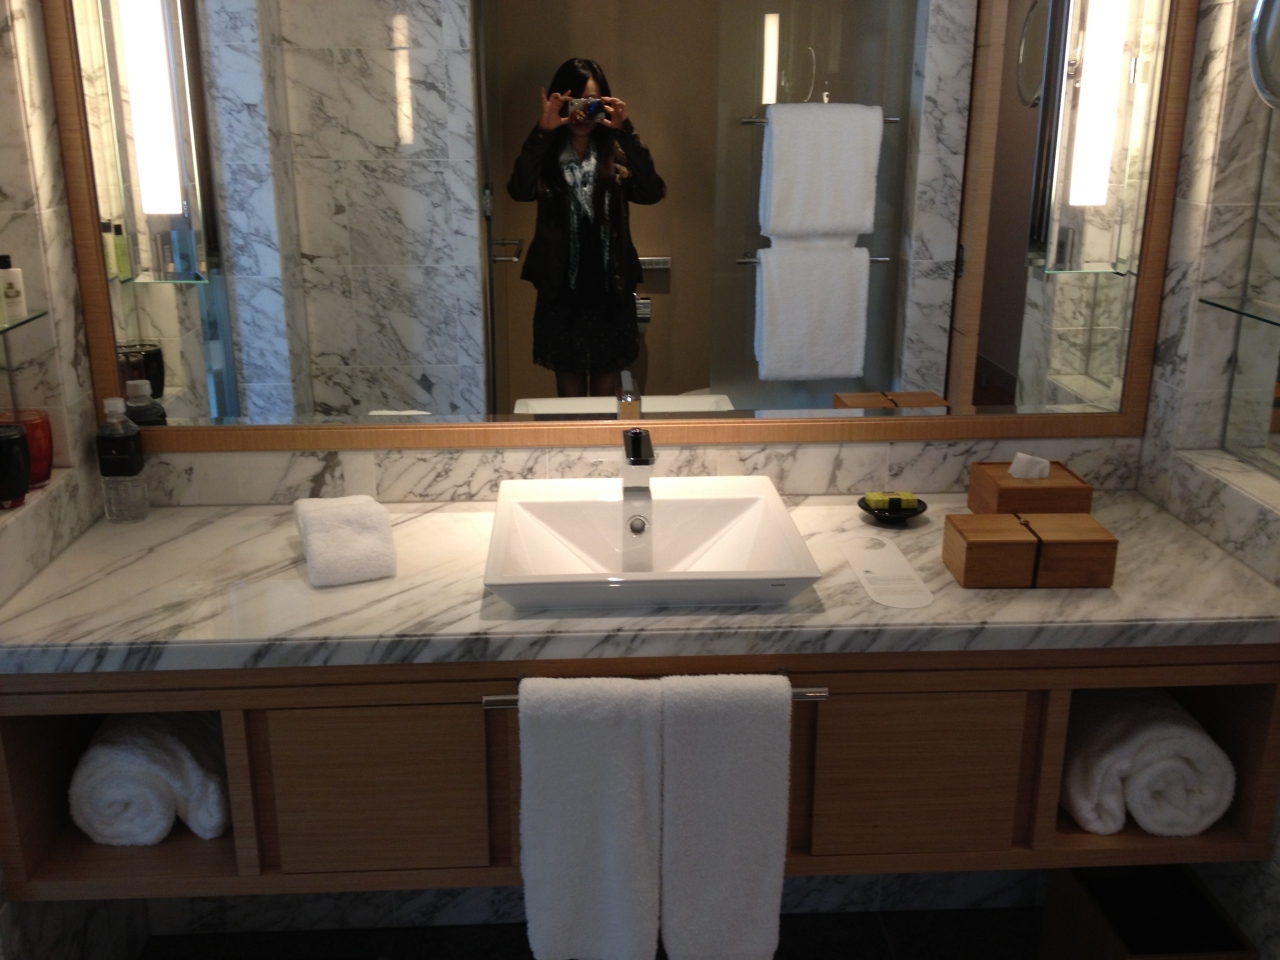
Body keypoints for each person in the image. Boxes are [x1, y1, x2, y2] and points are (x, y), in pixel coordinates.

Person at [508, 58, 665, 398]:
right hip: (561, 294)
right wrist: (542, 131)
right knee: (570, 395)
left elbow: (652, 192)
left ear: (604, 104)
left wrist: (625, 130)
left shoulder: (617, 151)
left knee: (607, 390)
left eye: (591, 103)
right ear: (560, 102)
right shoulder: (546, 154)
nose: (582, 113)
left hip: (610, 292)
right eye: (573, 102)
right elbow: (519, 190)